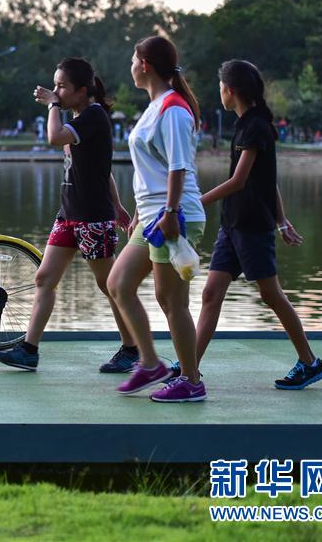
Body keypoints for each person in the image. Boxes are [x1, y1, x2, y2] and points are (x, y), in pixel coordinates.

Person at [0, 57, 132, 372]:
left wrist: (52, 105)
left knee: (110, 285)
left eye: (62, 86)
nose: (56, 91)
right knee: (44, 279)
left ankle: (132, 348)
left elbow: (53, 138)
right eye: (55, 85)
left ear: (81, 91)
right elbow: (101, 169)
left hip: (92, 218)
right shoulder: (80, 119)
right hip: (68, 215)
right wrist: (119, 204)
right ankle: (29, 350)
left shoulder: (93, 116)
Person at [194, 60, 322, 390]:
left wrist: (194, 203)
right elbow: (267, 180)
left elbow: (240, 181)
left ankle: (310, 363)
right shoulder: (244, 125)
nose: (220, 93)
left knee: (271, 295)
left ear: (230, 90)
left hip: (252, 226)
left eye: (221, 87)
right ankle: (188, 367)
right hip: (231, 225)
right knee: (210, 293)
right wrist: (282, 220)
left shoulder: (256, 127)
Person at [106, 35, 208, 402]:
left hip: (174, 217)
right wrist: (138, 212)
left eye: (133, 60)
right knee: (118, 284)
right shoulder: (153, 107)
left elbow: (178, 168)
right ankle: (150, 363)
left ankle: (191, 381)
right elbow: (152, 168)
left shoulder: (174, 109)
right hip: (151, 216)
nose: (131, 66)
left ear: (145, 65)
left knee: (170, 300)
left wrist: (170, 213)